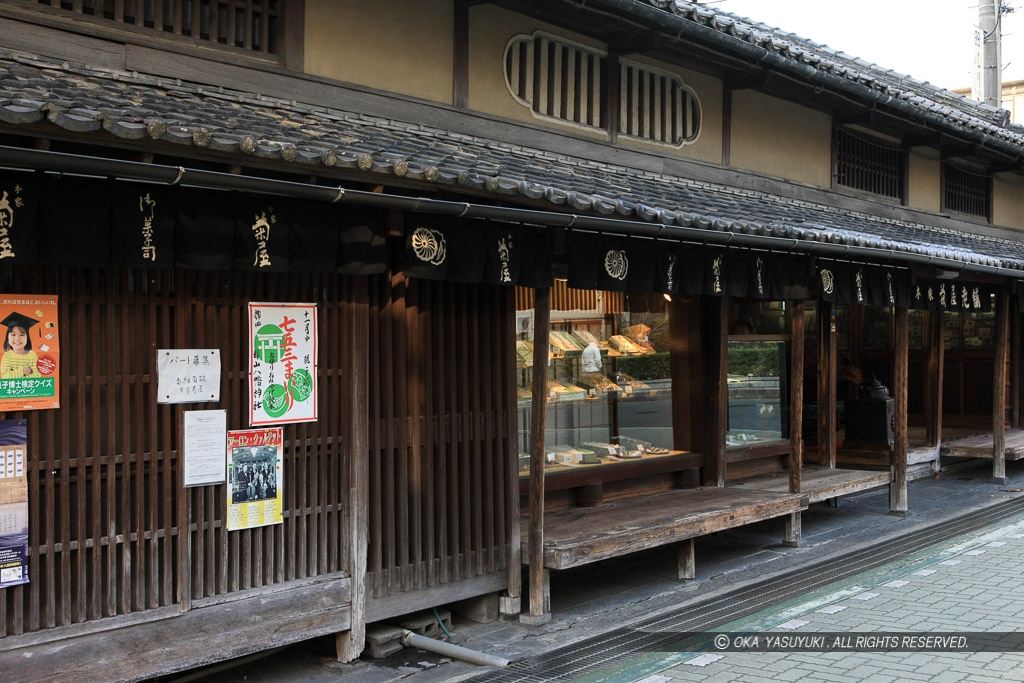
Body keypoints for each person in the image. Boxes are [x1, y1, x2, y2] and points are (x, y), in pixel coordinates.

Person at [0, 312, 42, 379]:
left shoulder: (32, 355)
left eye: (22, 335)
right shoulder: (7, 356)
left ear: (27, 337)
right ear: (7, 337)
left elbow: (37, 375)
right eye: (13, 334)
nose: (17, 339)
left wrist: (16, 377)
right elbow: (5, 376)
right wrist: (23, 371)